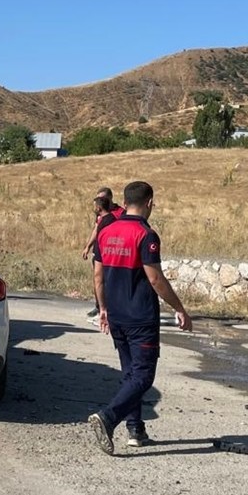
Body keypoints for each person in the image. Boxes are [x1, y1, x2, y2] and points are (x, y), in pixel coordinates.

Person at [86, 181, 192, 455]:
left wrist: (102, 308)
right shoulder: (146, 235)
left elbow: (98, 276)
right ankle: (108, 417)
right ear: (150, 203)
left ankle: (135, 430)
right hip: (140, 316)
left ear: (124, 200)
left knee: (130, 374)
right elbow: (155, 278)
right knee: (143, 376)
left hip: (117, 315)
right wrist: (179, 308)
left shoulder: (106, 231)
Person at [81, 187, 122, 319]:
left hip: (113, 253)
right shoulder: (100, 214)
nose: (99, 201)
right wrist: (88, 246)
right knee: (98, 279)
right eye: (98, 198)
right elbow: (96, 229)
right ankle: (99, 306)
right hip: (99, 252)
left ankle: (114, 307)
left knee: (113, 280)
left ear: (110, 198)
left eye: (102, 198)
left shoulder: (120, 213)